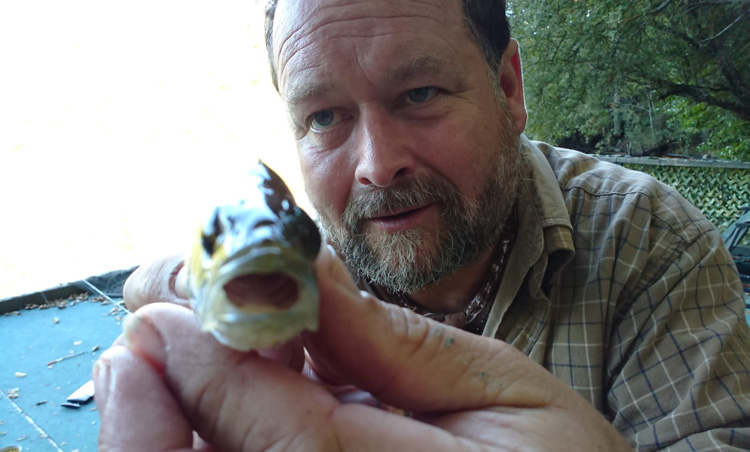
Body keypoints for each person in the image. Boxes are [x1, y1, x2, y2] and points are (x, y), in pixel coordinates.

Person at [95, 0, 750, 450]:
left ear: (510, 89)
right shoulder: (291, 269)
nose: (378, 167)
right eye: (324, 116)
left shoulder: (653, 241)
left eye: (419, 95)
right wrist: (177, 287)